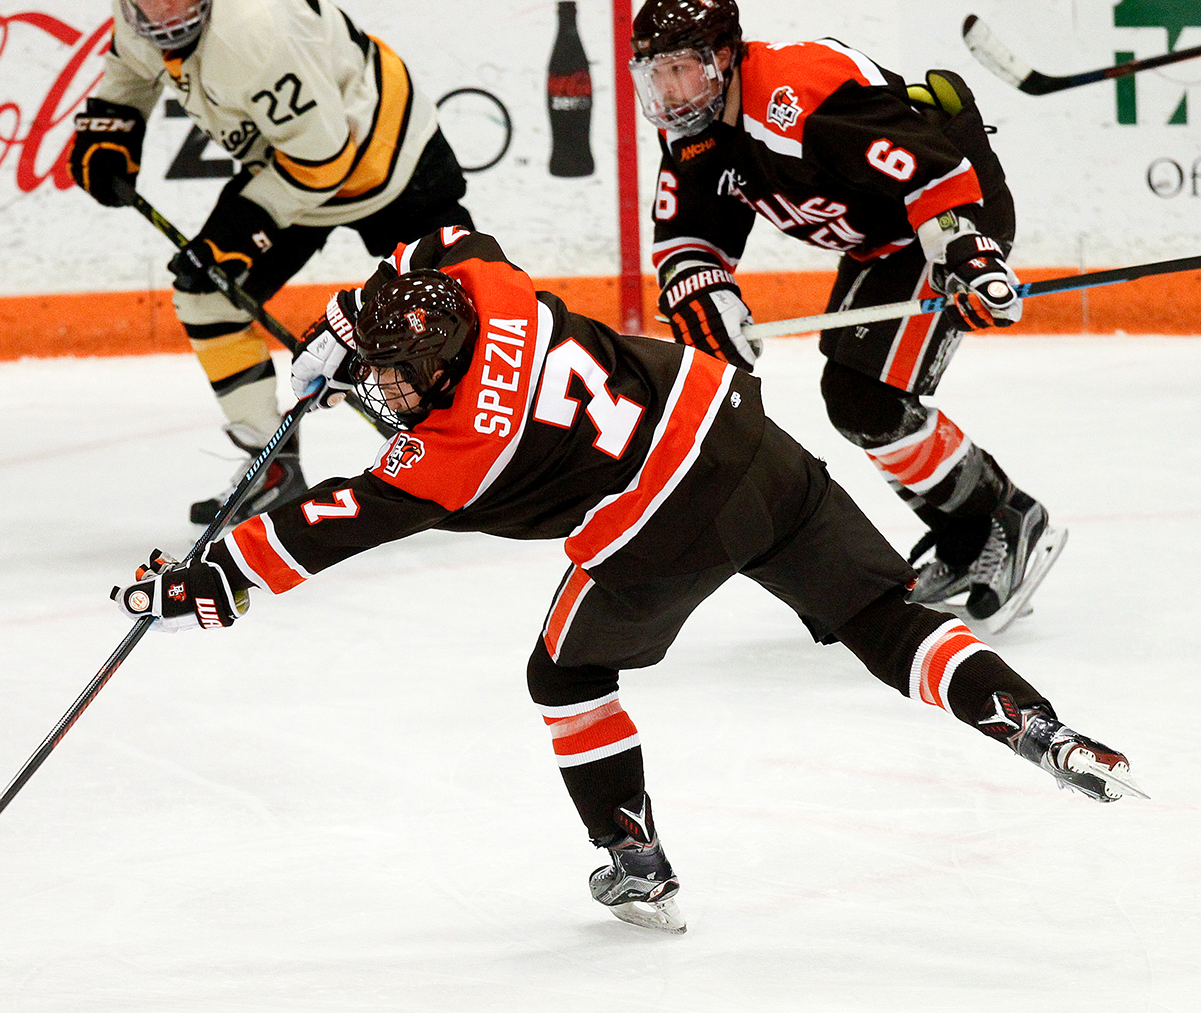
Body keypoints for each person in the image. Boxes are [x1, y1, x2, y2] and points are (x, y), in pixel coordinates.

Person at [111, 227, 1144, 934]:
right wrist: (348, 325)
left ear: (435, 369)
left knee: (564, 676)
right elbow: (438, 248)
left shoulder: (455, 449)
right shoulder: (490, 290)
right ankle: (1040, 726)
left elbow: (326, 522)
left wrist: (208, 583)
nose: (378, 392)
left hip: (662, 521)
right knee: (884, 615)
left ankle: (634, 854)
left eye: (391, 377)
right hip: (738, 433)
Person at [626, 0, 1064, 630]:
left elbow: (929, 171)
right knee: (856, 402)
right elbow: (689, 231)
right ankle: (973, 536)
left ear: (722, 58)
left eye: (678, 70)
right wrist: (701, 284)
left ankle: (1003, 518)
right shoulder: (694, 126)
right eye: (654, 74)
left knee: (870, 401)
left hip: (945, 220)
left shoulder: (796, 94)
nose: (665, 92)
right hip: (880, 243)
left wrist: (965, 250)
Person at [70, 0, 474, 523]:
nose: (163, 16)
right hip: (290, 163)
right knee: (208, 298)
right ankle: (271, 468)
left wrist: (243, 229)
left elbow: (325, 157)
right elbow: (130, 66)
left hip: (388, 155)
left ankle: (482, 444)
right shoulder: (136, 21)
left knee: (452, 308)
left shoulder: (252, 30)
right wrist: (113, 126)